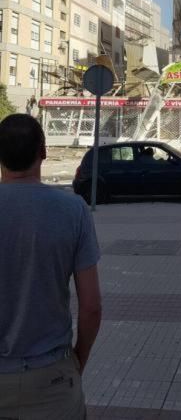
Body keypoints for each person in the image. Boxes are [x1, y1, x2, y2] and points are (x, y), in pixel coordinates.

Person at [0, 114, 101, 419]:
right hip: (50, 377)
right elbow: (92, 306)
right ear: (43, 151)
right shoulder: (73, 210)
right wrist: (76, 361)